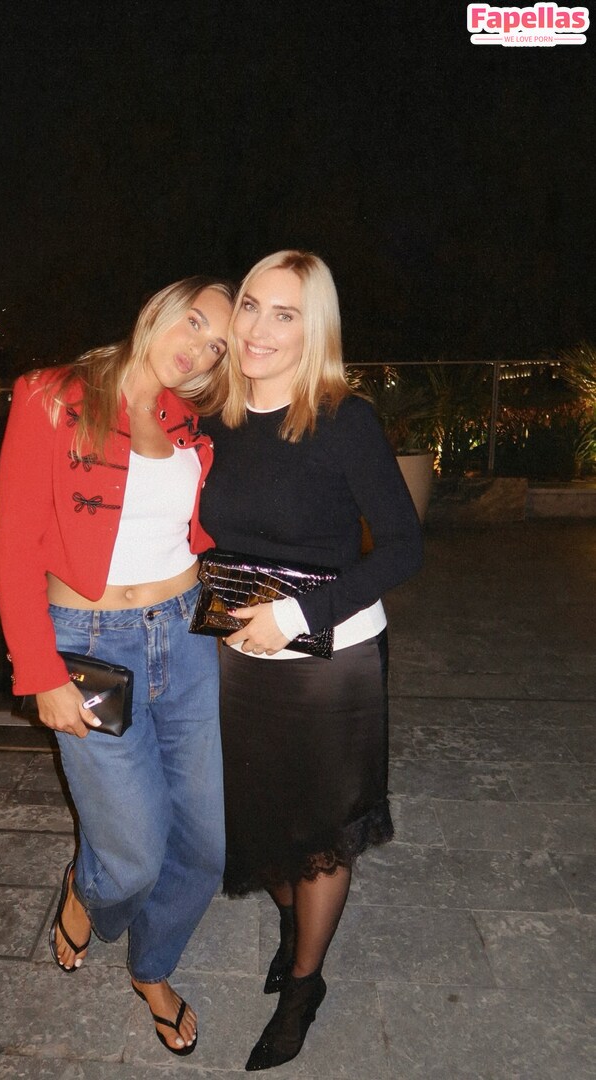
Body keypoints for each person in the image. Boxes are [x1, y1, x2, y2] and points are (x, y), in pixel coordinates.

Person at [0, 276, 233, 1056]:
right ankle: (87, 887)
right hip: (90, 643)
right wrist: (40, 672)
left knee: (207, 843)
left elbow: (204, 532)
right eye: (194, 322)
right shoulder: (50, 397)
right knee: (130, 854)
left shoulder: (186, 419)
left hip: (187, 640)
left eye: (217, 345)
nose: (199, 349)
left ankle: (152, 967)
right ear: (159, 308)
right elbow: (13, 547)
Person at [198, 251, 423, 1071]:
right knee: (261, 819)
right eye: (250, 306)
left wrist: (296, 615)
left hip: (333, 659)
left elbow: (402, 547)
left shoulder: (343, 420)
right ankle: (297, 928)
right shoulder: (213, 416)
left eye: (284, 314)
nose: (259, 328)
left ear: (313, 328)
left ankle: (304, 984)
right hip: (238, 657)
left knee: (321, 831)